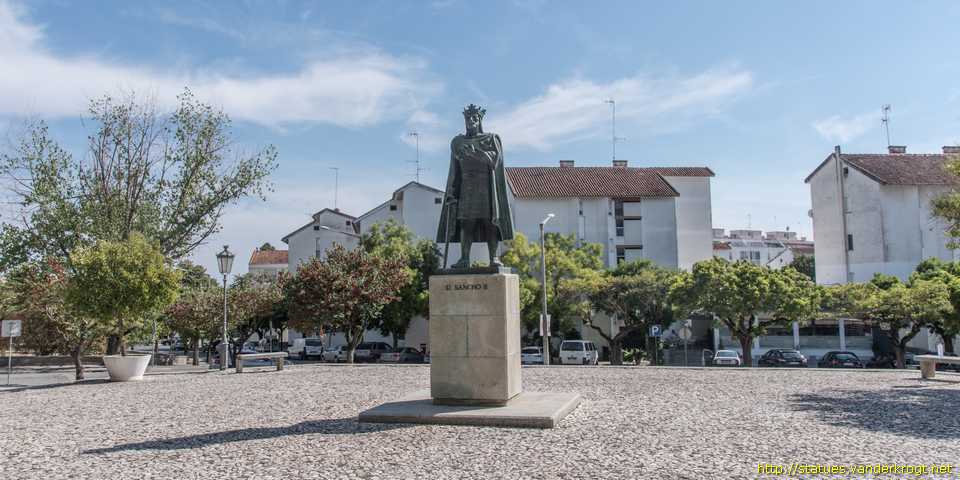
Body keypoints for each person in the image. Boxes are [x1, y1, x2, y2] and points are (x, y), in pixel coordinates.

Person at [436, 104, 514, 268]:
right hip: (466, 187)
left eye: (474, 117)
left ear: (479, 120)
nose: (470, 120)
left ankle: (493, 258)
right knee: (466, 223)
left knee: (490, 222)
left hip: (486, 186)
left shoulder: (491, 139)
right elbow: (454, 170)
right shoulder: (457, 142)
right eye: (468, 118)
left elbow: (495, 161)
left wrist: (476, 153)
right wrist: (451, 192)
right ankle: (464, 259)